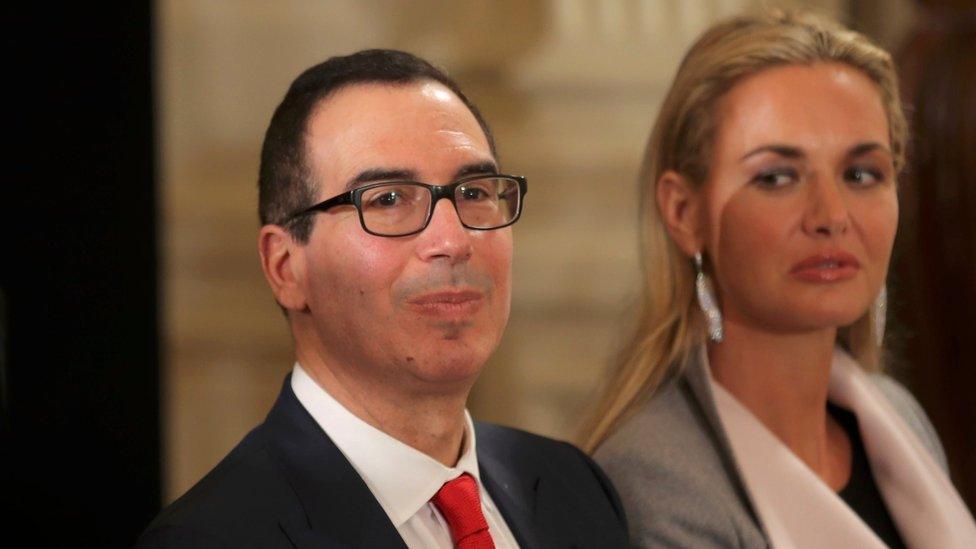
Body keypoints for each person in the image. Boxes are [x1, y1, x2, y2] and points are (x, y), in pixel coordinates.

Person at [139, 49, 628, 548]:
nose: (453, 241)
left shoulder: (573, 487)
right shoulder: (212, 539)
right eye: (388, 199)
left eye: (475, 192)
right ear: (286, 267)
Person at [585, 9, 976, 548]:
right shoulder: (656, 484)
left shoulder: (898, 416)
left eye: (862, 174)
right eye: (776, 177)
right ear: (683, 212)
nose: (831, 215)